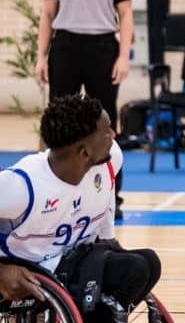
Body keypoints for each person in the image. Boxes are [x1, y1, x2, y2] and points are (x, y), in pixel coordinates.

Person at [0, 95, 162, 322]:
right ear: (84, 152)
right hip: (30, 272)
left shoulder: (111, 157)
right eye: (107, 132)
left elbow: (107, 193)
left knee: (148, 263)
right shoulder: (21, 186)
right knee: (135, 268)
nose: (113, 136)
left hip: (69, 262)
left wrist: (108, 239)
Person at [35, 0, 137, 219]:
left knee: (104, 123)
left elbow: (126, 14)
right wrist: (41, 57)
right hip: (66, 46)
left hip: (102, 47)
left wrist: (123, 56)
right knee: (59, 122)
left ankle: (110, 197)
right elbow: (47, 14)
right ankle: (54, 196)